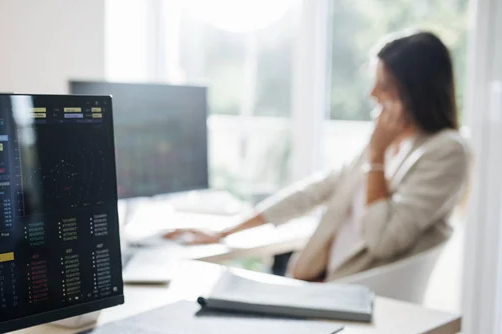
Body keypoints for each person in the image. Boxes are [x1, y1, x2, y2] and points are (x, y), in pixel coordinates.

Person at [165, 30, 470, 282]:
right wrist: (226, 230)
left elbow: (382, 241)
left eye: (385, 86)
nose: (372, 94)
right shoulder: (385, 141)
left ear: (417, 92)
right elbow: (313, 192)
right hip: (318, 280)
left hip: (355, 292)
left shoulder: (444, 151)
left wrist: (376, 158)